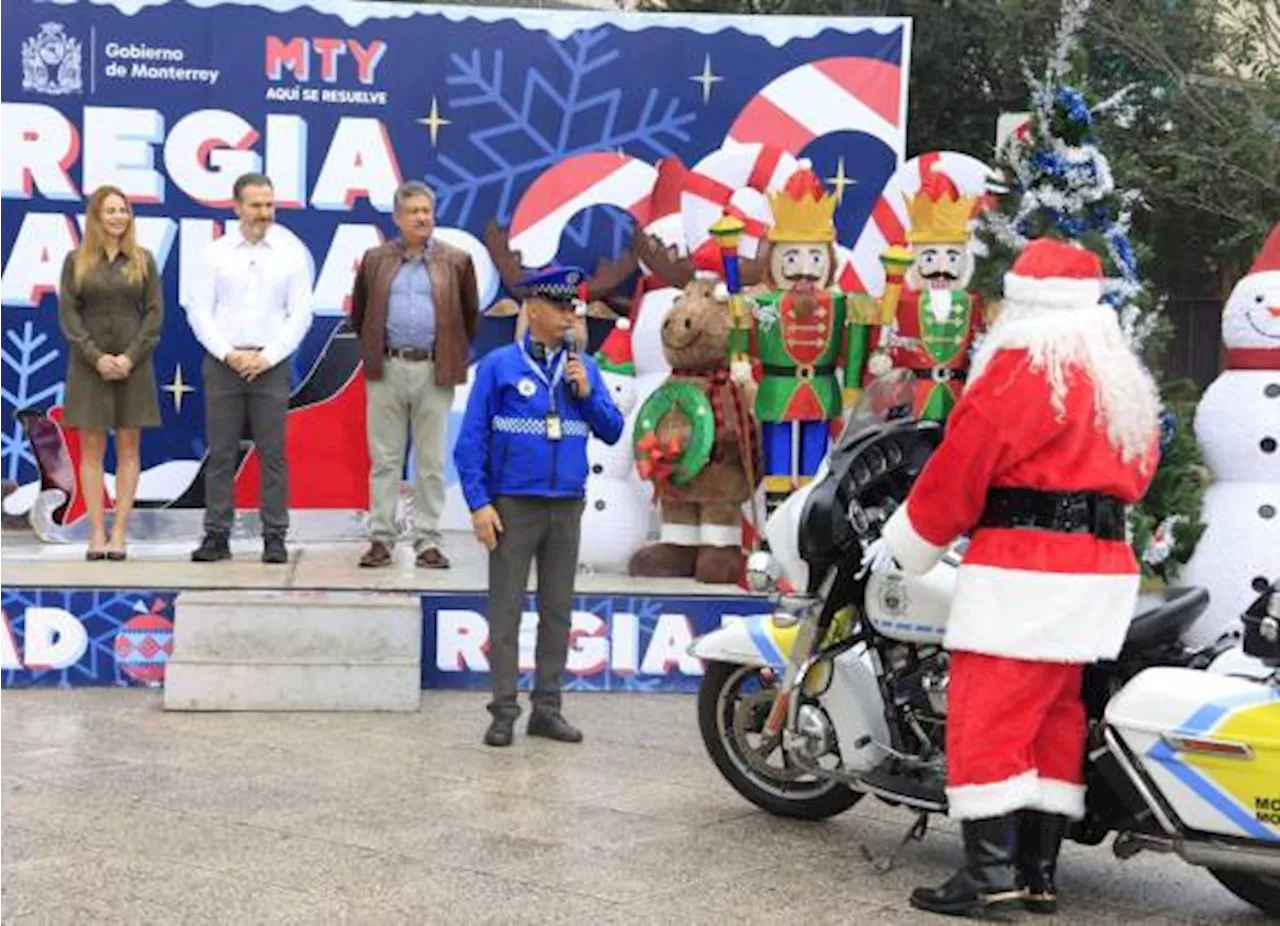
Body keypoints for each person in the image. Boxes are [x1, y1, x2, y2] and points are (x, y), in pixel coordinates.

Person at [863, 238, 1161, 917]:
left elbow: (961, 468)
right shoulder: (1117, 372)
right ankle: (1038, 874)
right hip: (1099, 569)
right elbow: (1140, 471)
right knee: (1056, 714)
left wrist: (907, 547)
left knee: (988, 716)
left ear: (1023, 304)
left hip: (1025, 568)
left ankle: (988, 876)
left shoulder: (1023, 367)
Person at [453, 266, 625, 748]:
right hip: (513, 505)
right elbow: (470, 444)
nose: (570, 315)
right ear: (533, 310)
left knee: (557, 612)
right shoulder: (499, 366)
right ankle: (503, 711)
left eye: (573, 307)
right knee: (505, 610)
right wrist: (479, 504)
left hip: (566, 506)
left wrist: (587, 396)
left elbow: (612, 430)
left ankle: (547, 709)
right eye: (560, 307)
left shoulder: (583, 368)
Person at [185, 172, 313, 564]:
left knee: (272, 453)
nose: (264, 213)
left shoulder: (290, 255)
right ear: (236, 206)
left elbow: (301, 313)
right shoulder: (215, 253)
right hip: (225, 364)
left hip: (270, 366)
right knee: (222, 453)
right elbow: (198, 310)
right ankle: (217, 536)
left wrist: (268, 356)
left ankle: (274, 536)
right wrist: (228, 353)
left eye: (269, 204)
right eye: (256, 205)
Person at [351, 180, 478, 569]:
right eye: (414, 212)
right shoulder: (375, 260)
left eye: (427, 210)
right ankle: (381, 539)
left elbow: (468, 317)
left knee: (430, 461)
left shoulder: (456, 261)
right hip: (387, 369)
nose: (423, 217)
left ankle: (426, 540)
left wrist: (446, 353)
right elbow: (361, 314)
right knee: (385, 459)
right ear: (397, 218)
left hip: (433, 370)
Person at [57, 185, 163, 561]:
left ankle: (119, 534)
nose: (119, 216)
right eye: (111, 210)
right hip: (89, 369)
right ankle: (96, 534)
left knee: (129, 449)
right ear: (97, 217)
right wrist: (96, 357)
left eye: (124, 209)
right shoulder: (76, 261)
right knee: (91, 450)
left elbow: (154, 315)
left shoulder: (144, 260)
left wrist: (129, 358)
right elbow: (69, 315)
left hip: (134, 368)